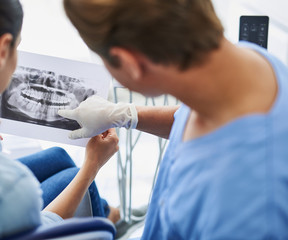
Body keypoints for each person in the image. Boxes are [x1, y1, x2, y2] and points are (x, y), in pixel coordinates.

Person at [60, 0, 288, 239]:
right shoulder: (239, 63)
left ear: (129, 63)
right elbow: (188, 119)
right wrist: (126, 115)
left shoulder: (247, 213)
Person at [0, 0, 120, 239]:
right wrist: (92, 166)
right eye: (17, 48)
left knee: (57, 157)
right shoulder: (11, 187)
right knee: (75, 175)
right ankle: (110, 216)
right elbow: (43, 227)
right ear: (1, 51)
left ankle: (108, 210)